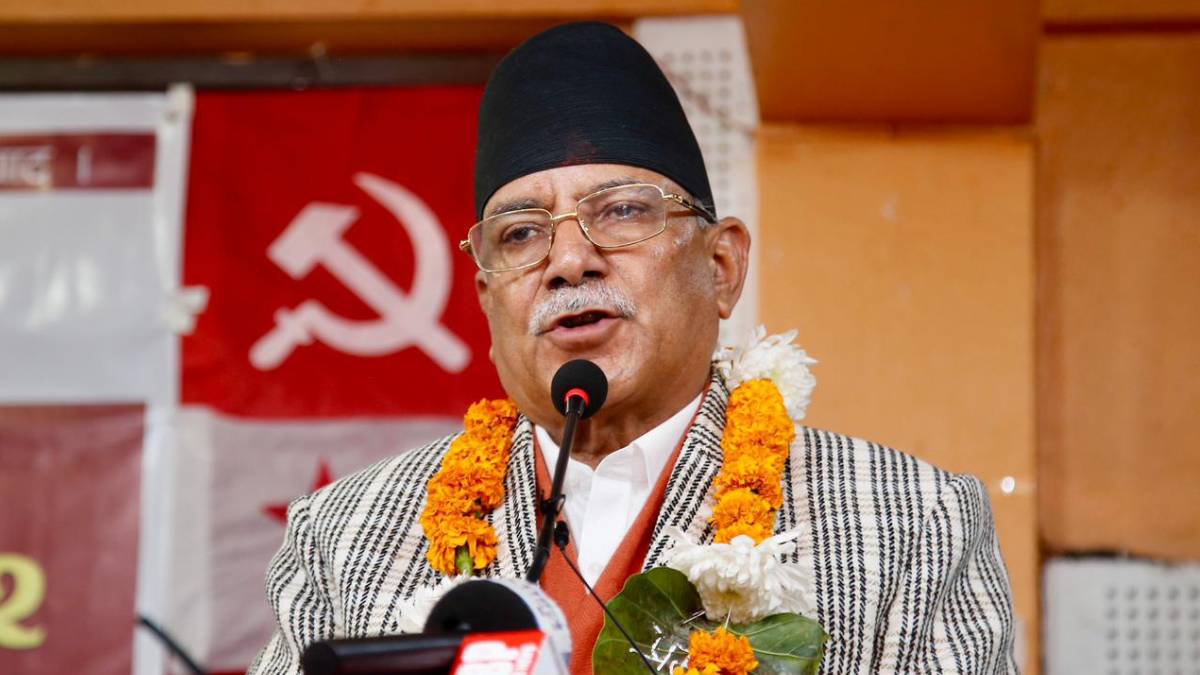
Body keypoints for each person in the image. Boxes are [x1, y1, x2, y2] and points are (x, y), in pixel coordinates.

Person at [248, 21, 1017, 675]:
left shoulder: (913, 520)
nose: (569, 260)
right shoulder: (343, 534)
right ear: (488, 300)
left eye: (620, 212)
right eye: (521, 233)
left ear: (721, 268)